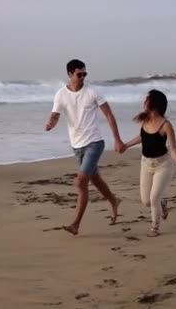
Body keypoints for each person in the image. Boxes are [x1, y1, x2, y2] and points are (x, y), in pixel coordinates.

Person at [45, 59, 123, 235]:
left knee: (81, 181)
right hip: (77, 145)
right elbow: (55, 114)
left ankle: (76, 224)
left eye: (84, 74)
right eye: (79, 74)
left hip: (94, 142)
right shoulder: (60, 94)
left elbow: (109, 116)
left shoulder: (93, 92)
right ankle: (113, 200)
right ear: (70, 74)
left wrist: (117, 140)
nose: (82, 77)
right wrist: (51, 123)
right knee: (94, 179)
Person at [121, 89, 176, 237]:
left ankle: (154, 228)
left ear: (154, 103)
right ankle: (163, 203)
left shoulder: (166, 125)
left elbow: (173, 148)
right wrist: (126, 145)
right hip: (146, 164)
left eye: (147, 99)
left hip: (162, 165)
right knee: (146, 201)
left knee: (153, 198)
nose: (144, 101)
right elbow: (142, 137)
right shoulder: (144, 120)